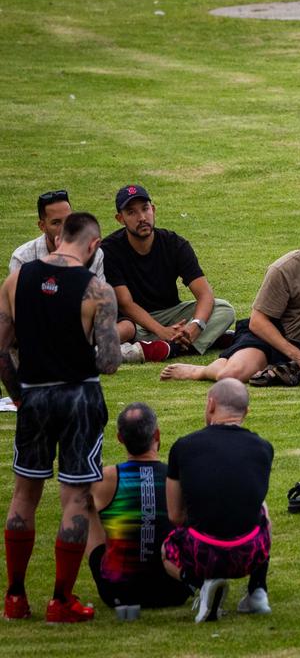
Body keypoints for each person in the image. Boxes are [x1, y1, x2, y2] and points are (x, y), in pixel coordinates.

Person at [1, 212, 121, 622]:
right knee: (76, 497)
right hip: (79, 398)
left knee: (24, 495)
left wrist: (20, 396)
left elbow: (0, 350)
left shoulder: (16, 281)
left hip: (33, 396)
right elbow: (108, 363)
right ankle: (60, 599)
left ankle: (15, 597)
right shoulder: (97, 289)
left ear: (57, 239)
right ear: (93, 246)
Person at [160, 206, 300, 383]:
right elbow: (258, 322)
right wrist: (296, 355)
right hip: (273, 336)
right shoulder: (285, 268)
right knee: (231, 375)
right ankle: (199, 371)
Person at [162, 379, 274, 622]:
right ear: (246, 412)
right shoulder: (264, 448)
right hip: (248, 553)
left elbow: (174, 515)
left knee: (166, 550)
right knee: (262, 509)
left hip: (199, 553)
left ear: (210, 404)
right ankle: (257, 590)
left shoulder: (183, 447)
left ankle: (199, 586)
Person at [102, 185, 236, 359]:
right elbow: (126, 304)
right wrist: (161, 331)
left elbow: (204, 294)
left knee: (224, 309)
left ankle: (162, 347)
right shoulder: (109, 250)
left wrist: (196, 325)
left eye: (145, 209)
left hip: (172, 314)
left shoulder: (174, 244)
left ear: (153, 209)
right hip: (134, 321)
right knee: (125, 330)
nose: (142, 217)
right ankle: (201, 340)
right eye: (131, 212)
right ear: (120, 218)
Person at [86, 403, 191, 609]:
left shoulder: (104, 479)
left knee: (84, 508)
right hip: (175, 588)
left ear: (120, 439)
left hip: (117, 592)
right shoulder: (178, 477)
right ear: (157, 435)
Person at [9, 189, 105, 280]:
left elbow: (100, 295)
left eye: (69, 219)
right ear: (42, 226)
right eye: (56, 223)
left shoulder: (93, 253)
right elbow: (18, 296)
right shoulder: (22, 258)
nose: (65, 228)